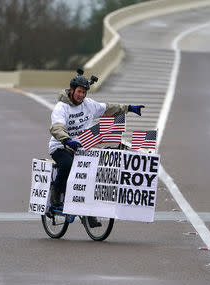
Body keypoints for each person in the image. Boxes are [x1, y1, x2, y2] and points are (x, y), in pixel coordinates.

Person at [48, 70, 144, 224]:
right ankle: (56, 193)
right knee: (67, 165)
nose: (82, 95)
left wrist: (129, 108)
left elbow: (109, 108)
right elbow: (56, 127)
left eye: (84, 92)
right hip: (61, 146)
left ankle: (88, 213)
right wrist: (66, 139)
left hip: (81, 147)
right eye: (79, 92)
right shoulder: (62, 107)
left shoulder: (89, 105)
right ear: (72, 90)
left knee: (92, 174)